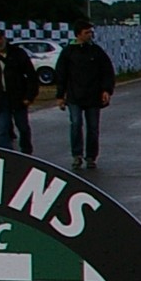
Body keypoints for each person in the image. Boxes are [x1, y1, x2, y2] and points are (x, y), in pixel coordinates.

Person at [53, 22, 117, 171]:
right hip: (74, 95)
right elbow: (61, 74)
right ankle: (77, 155)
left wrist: (106, 90)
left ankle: (91, 157)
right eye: (87, 32)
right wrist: (60, 96)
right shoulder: (68, 52)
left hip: (93, 96)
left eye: (91, 32)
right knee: (75, 124)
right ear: (79, 34)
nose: (90, 35)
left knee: (93, 128)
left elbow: (107, 72)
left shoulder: (96, 51)